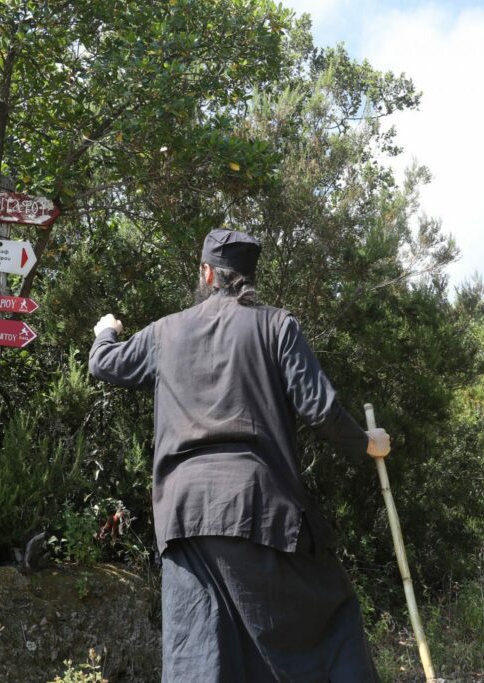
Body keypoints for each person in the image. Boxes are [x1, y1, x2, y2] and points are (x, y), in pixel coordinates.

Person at [88, 228, 391, 682]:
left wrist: (104, 333)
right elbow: (321, 410)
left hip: (183, 515)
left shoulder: (165, 333)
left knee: (203, 649)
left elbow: (103, 364)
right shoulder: (277, 325)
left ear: (208, 273)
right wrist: (370, 443)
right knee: (331, 615)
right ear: (249, 278)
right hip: (259, 509)